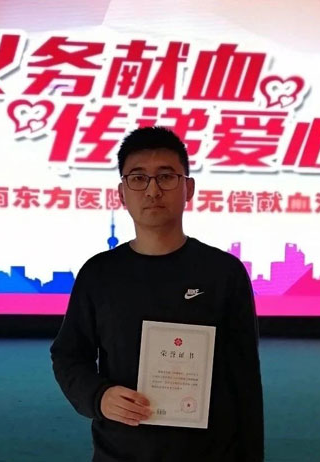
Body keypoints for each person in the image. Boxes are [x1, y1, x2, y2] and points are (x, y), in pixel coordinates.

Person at [50, 126, 264, 461]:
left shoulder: (224, 273)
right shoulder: (99, 274)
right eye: (138, 178)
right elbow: (68, 355)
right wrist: (99, 396)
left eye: (166, 177)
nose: (153, 190)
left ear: (188, 188)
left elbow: (245, 380)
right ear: (122, 193)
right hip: (120, 452)